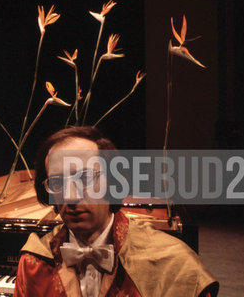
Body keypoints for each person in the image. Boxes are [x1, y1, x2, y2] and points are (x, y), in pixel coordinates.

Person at [14, 126, 218, 297]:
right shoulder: (34, 262)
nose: (70, 195)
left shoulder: (175, 264)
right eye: (58, 182)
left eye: (85, 178)